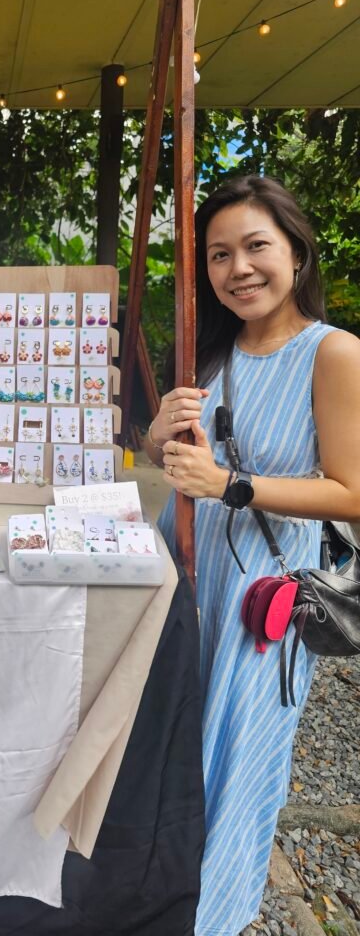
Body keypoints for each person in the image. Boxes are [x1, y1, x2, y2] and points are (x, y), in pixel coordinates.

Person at [145, 175, 360, 936]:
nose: (238, 269)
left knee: (237, 772)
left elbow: (351, 492)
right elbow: (175, 464)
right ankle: (163, 903)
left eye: (256, 247)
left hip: (260, 608)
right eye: (218, 254)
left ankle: (213, 918)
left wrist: (231, 486)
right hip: (188, 592)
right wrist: (159, 433)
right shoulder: (212, 353)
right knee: (176, 760)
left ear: (296, 251)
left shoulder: (333, 353)